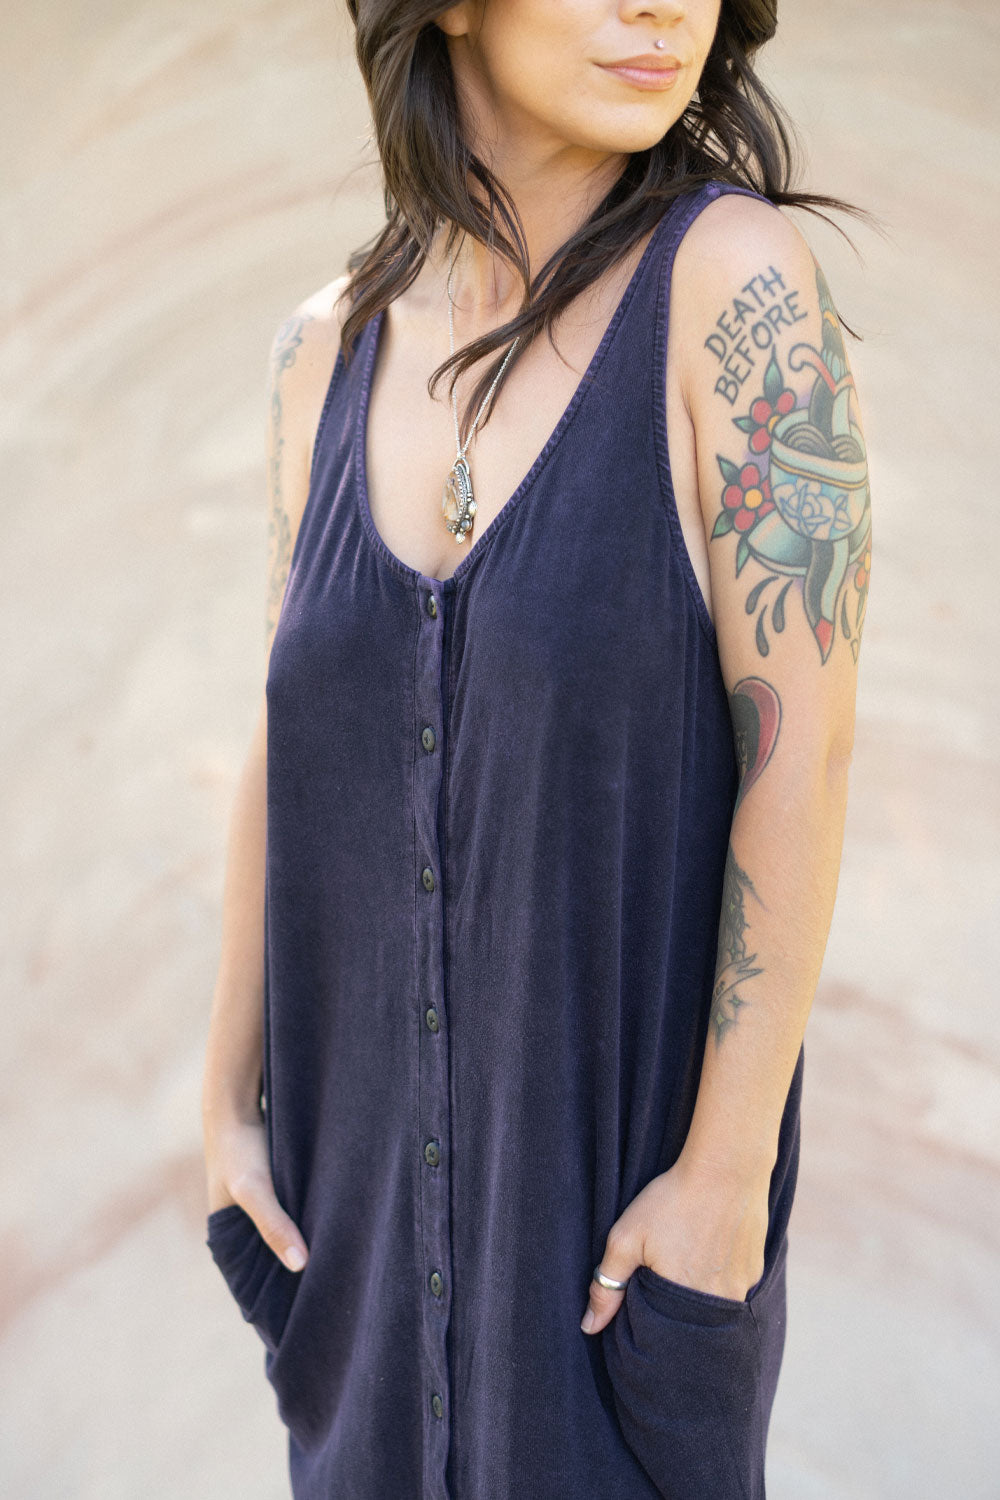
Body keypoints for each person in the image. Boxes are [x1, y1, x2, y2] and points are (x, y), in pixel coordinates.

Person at [200, 2, 873, 1496]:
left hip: (613, 1274)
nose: (665, 7)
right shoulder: (326, 350)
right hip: (351, 1246)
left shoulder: (734, 290)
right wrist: (224, 1104)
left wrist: (724, 1184)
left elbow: (803, 757)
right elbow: (285, 732)